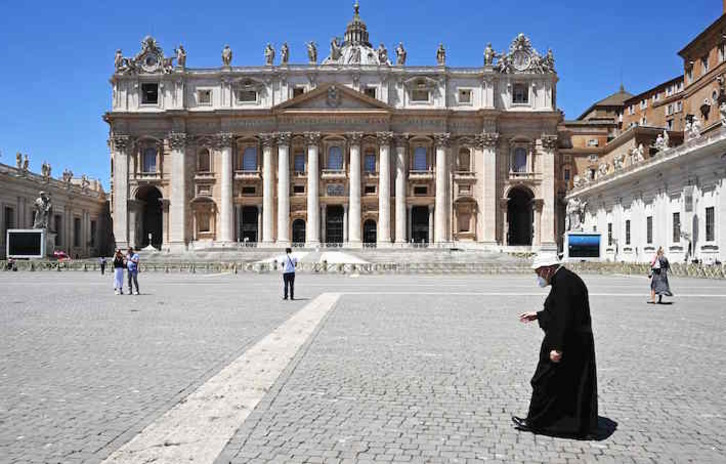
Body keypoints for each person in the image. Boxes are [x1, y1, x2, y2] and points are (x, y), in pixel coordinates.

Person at [514, 252, 598, 438]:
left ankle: (536, 422)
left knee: (544, 381)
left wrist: (556, 348)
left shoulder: (563, 284)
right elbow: (559, 311)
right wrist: (539, 314)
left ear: (548, 269)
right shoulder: (566, 279)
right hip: (575, 343)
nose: (538, 276)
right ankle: (571, 424)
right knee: (568, 385)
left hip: (565, 344)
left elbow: (563, 318)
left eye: (538, 272)